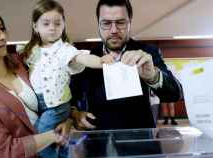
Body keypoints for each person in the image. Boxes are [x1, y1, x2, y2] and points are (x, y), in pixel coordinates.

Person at [0, 5, 71, 158]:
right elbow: (3, 151)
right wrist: (53, 135)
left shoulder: (23, 61)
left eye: (2, 28)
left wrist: (69, 118)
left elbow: (51, 95)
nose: (2, 36)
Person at [69, 0, 183, 156]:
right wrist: (75, 114)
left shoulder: (147, 52)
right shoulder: (87, 58)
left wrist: (152, 75)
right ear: (98, 24)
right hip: (98, 146)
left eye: (121, 23)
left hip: (140, 147)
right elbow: (71, 99)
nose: (114, 30)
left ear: (130, 22)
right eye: (106, 23)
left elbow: (175, 93)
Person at [21, 1, 114, 157]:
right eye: (46, 23)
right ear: (35, 26)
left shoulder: (64, 49)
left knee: (40, 133)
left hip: (57, 105)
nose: (52, 27)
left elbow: (82, 58)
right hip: (40, 105)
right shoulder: (31, 51)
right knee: (60, 137)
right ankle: (63, 153)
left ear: (64, 25)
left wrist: (100, 61)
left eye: (57, 23)